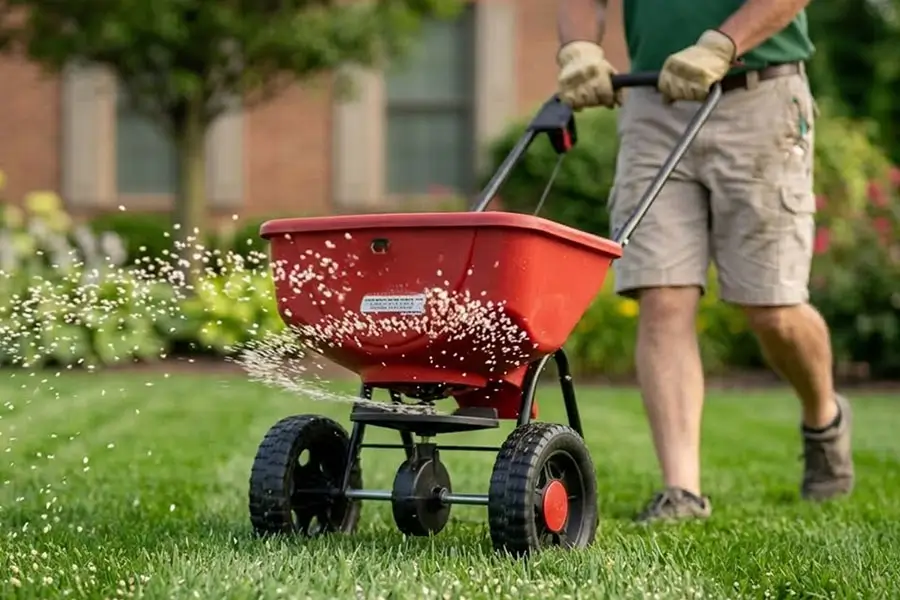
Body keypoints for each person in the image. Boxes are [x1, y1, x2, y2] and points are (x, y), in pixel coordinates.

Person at [554, 0, 854, 522]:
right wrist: (579, 48)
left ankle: (822, 416)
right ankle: (682, 492)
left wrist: (723, 43)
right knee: (661, 294)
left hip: (759, 98)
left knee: (773, 309)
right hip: (654, 104)